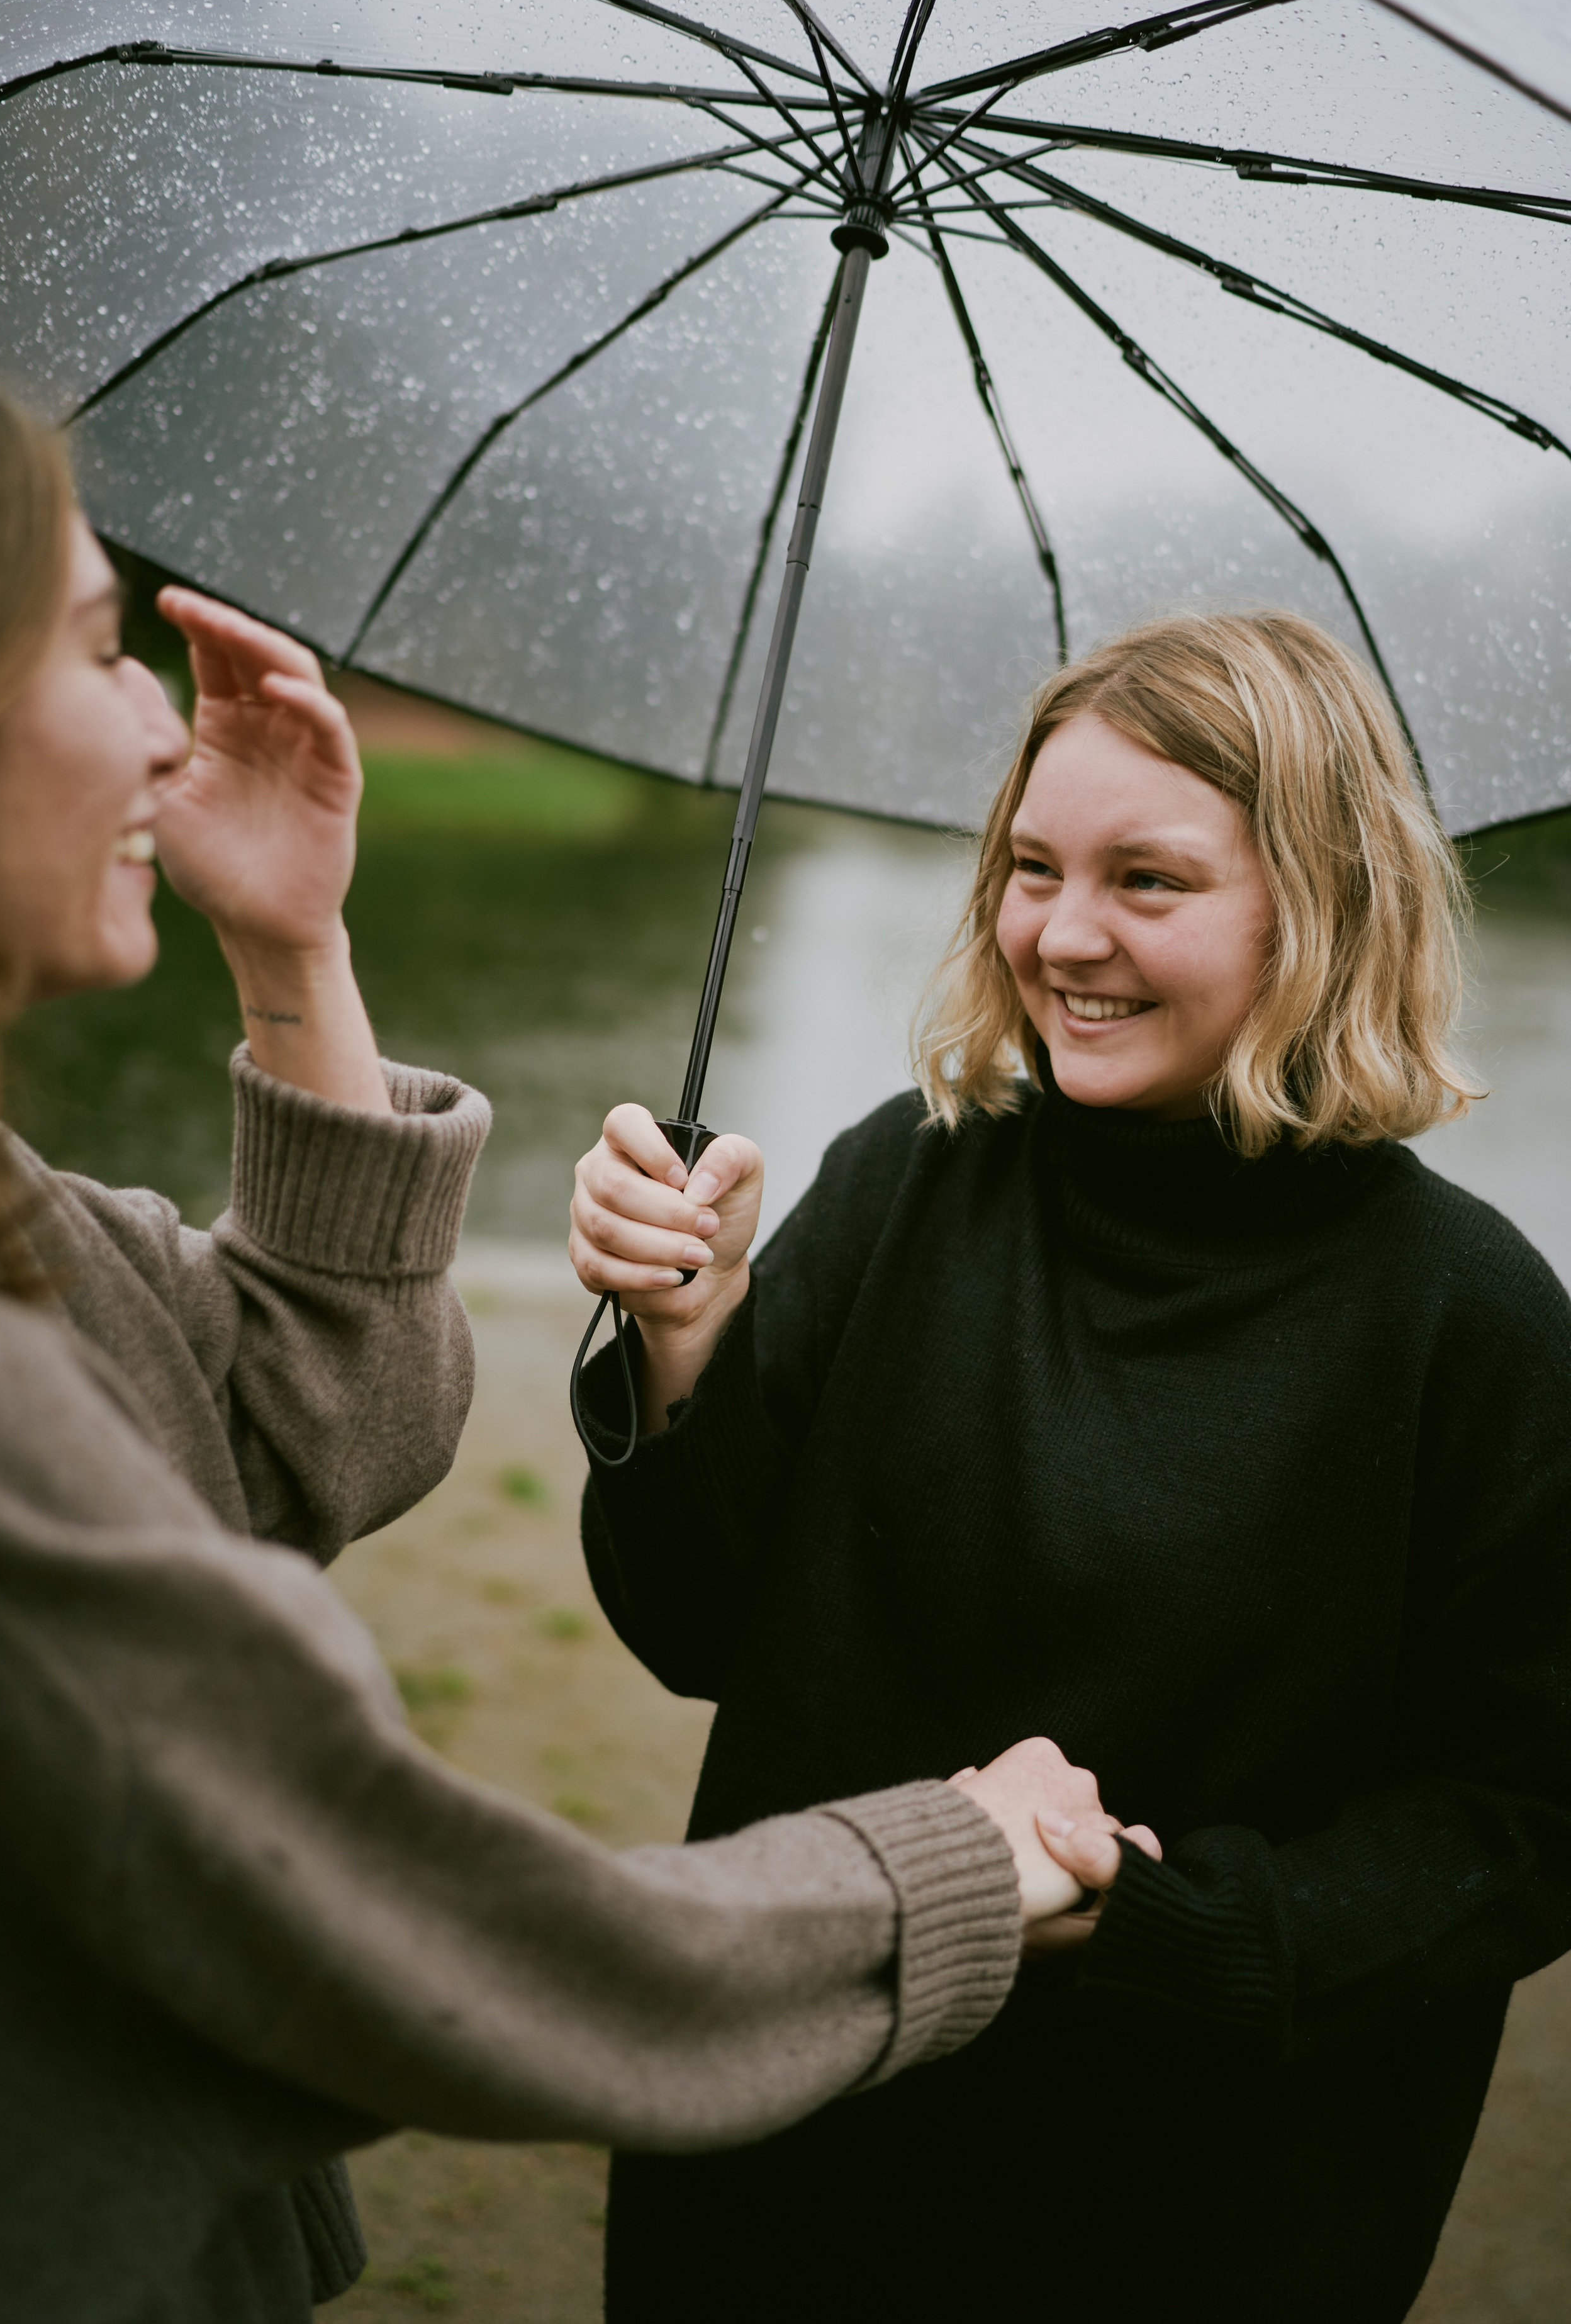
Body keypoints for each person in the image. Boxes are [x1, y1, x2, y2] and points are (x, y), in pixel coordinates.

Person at [0, 368, 1141, 2324]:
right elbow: (436, 1938)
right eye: (97, 645)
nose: (161, 732)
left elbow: (305, 1431)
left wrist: (292, 949)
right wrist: (955, 1860)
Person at [571, 609, 1571, 2323]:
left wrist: (1158, 1923)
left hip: (1203, 2206)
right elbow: (695, 1626)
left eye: (1149, 880)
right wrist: (686, 1347)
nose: (1063, 933)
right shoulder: (908, 1180)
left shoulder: (1469, 1322)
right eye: (1032, 867)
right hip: (793, 2122)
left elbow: (1524, 1824)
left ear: (1321, 905)